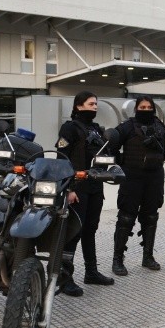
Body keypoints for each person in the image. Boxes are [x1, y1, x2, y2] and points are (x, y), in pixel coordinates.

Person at [55, 91, 115, 297]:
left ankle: (91, 272)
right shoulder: (70, 128)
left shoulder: (96, 129)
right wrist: (68, 189)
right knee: (73, 232)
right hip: (77, 187)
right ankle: (65, 278)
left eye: (96, 104)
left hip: (95, 187)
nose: (95, 107)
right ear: (78, 106)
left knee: (90, 230)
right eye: (91, 104)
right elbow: (61, 158)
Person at [111, 95, 165, 276]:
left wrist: (155, 161)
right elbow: (113, 145)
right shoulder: (127, 126)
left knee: (151, 216)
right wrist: (122, 163)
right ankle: (117, 259)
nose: (146, 110)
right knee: (126, 217)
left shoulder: (160, 126)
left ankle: (148, 257)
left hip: (154, 177)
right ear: (136, 108)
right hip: (132, 177)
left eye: (149, 107)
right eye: (142, 107)